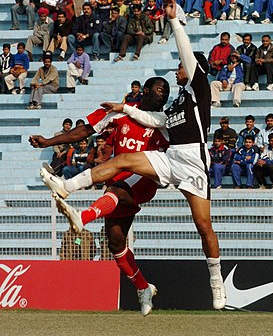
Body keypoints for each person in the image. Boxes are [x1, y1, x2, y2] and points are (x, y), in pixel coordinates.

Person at [38, 0, 227, 311]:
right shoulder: (180, 100)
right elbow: (157, 120)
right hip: (171, 159)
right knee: (121, 161)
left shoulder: (199, 88)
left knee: (203, 225)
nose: (178, 69)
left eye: (182, 66)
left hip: (194, 162)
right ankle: (66, 187)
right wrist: (123, 107)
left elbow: (186, 54)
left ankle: (217, 283)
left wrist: (174, 20)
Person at [30, 76, 170, 315]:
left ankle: (81, 217)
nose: (164, 95)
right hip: (118, 179)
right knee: (115, 242)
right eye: (159, 90)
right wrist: (49, 142)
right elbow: (85, 130)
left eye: (166, 92)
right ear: (145, 91)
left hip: (146, 180)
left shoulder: (163, 121)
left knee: (117, 189)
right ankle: (143, 288)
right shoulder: (118, 114)